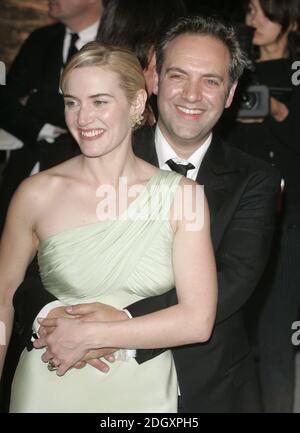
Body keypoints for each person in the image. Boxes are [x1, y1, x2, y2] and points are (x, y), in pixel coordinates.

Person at [17, 15, 280, 413]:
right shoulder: (95, 149)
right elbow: (34, 270)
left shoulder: (255, 178)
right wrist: (54, 318)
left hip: (208, 384)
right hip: (75, 373)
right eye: (178, 75)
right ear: (153, 80)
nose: (192, 94)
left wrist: (116, 325)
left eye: (210, 80)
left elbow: (234, 280)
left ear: (231, 94)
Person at [0, 42, 217, 413]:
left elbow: (197, 320)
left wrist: (90, 335)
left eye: (99, 101)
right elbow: (3, 298)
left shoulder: (183, 196)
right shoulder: (36, 193)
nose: (83, 118)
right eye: (72, 102)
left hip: (142, 391)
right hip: (48, 385)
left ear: (135, 104)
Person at [225, 0, 300, 413]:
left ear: (287, 16)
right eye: (248, 9)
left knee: (275, 336)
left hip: (289, 219)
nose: (250, 19)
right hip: (236, 214)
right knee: (233, 332)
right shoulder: (238, 66)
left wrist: (279, 112)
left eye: (260, 10)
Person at [0, 0, 105, 233]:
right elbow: (6, 102)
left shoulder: (117, 41)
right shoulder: (41, 39)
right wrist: (43, 130)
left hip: (88, 187)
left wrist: (38, 101)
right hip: (26, 166)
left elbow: (110, 111)